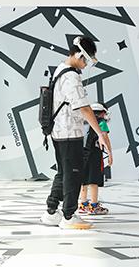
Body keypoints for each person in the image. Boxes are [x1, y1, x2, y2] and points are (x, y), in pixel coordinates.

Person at [39, 36, 112, 230]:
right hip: (69, 132)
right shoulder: (71, 76)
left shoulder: (59, 70)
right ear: (79, 55)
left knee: (64, 172)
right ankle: (69, 216)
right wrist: (100, 134)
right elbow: (84, 108)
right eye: (86, 60)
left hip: (59, 131)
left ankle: (51, 211)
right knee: (73, 174)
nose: (86, 64)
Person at [78, 102, 113, 215]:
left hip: (81, 153)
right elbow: (105, 138)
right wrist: (110, 153)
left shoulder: (83, 122)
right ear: (102, 113)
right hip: (94, 154)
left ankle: (83, 204)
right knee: (94, 180)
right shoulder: (101, 123)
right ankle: (94, 206)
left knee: (83, 180)